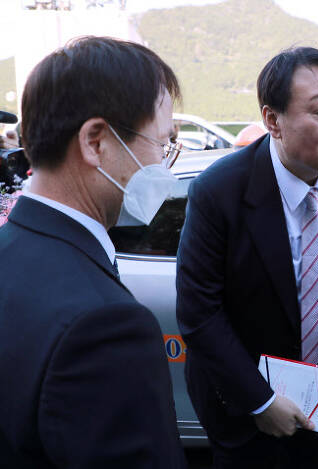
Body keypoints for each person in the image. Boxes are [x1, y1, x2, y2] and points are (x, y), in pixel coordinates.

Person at [176, 47, 318, 469]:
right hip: (245, 407)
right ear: (273, 120)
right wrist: (261, 401)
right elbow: (199, 313)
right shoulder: (218, 191)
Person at [0, 37, 187, 468]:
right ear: (95, 142)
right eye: (162, 145)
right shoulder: (107, 324)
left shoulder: (11, 248)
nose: (165, 166)